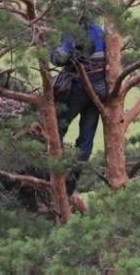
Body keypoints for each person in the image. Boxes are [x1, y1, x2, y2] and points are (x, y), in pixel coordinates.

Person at [50, 18, 106, 170]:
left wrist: (51, 49)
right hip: (100, 90)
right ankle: (75, 175)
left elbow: (59, 59)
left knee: (57, 128)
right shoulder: (98, 30)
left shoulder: (73, 31)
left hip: (78, 87)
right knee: (86, 137)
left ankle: (54, 168)